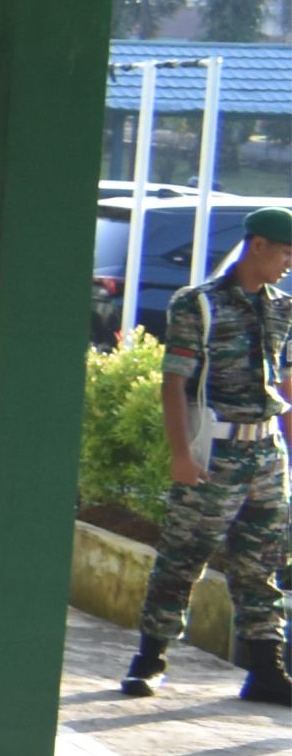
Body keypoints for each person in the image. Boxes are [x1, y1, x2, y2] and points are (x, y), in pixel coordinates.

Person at [127, 207, 292, 703]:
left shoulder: (284, 308)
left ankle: (266, 670)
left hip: (267, 453)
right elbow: (174, 384)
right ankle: (149, 661)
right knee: (182, 558)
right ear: (257, 245)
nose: (288, 263)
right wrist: (181, 454)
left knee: (262, 564)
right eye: (285, 252)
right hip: (214, 453)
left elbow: (286, 384)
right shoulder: (198, 304)